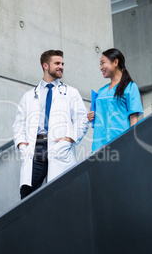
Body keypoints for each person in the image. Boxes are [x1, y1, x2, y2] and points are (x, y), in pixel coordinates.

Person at [13, 49, 88, 200]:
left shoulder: (71, 93)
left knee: (61, 194)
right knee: (28, 194)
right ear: (45, 66)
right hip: (36, 147)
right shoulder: (29, 96)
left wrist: (69, 139)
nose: (61, 67)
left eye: (62, 64)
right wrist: (22, 144)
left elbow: (82, 119)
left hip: (59, 145)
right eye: (57, 63)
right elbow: (18, 124)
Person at [87, 48, 143, 152]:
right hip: (99, 144)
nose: (100, 68)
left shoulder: (130, 87)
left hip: (121, 143)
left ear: (115, 62)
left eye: (103, 63)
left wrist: (132, 142)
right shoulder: (101, 91)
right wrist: (92, 115)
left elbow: (133, 119)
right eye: (100, 64)